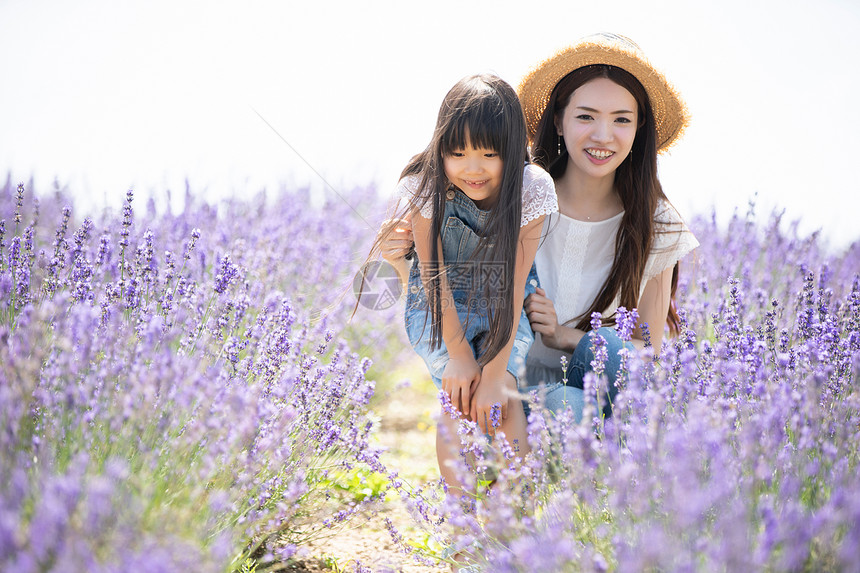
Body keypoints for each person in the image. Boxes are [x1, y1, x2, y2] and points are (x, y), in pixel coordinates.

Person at [381, 34, 698, 422]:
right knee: (566, 406)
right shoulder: (521, 196)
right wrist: (402, 258)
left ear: (638, 129)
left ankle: (628, 470)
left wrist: (564, 336)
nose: (603, 136)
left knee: (606, 373)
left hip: (603, 397)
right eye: (585, 116)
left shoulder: (657, 222)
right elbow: (453, 287)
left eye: (621, 120)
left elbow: (646, 358)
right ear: (559, 121)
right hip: (512, 386)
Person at [365, 74, 557, 490]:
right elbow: (432, 277)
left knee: (503, 399)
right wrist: (460, 355)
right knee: (457, 401)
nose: (472, 168)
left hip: (501, 309)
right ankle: (460, 523)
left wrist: (494, 373)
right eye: (457, 153)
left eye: (489, 154)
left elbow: (514, 283)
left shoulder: (530, 187)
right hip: (437, 310)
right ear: (440, 149)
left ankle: (515, 524)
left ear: (513, 150)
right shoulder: (425, 186)